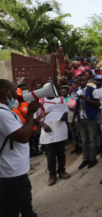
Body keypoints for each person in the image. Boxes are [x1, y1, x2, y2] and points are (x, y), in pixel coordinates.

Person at [0, 79, 42, 217]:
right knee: (11, 210)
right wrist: (30, 113)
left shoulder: (6, 110)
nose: (17, 94)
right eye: (14, 90)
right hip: (11, 171)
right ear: (5, 91)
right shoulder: (2, 114)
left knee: (26, 205)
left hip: (17, 169)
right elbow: (23, 136)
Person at [38, 84, 71, 186]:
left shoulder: (61, 100)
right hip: (48, 131)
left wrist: (64, 116)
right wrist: (43, 124)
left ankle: (61, 171)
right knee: (51, 155)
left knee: (61, 153)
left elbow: (66, 112)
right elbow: (36, 116)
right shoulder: (41, 101)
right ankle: (52, 175)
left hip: (60, 130)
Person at [72, 74, 100, 170]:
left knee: (92, 140)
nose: (82, 82)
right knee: (84, 141)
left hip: (90, 118)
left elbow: (98, 103)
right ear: (78, 82)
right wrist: (73, 119)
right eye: (80, 81)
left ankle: (93, 158)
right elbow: (76, 105)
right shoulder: (76, 91)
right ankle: (85, 158)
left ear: (86, 81)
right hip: (81, 119)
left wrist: (86, 99)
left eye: (84, 80)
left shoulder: (92, 90)